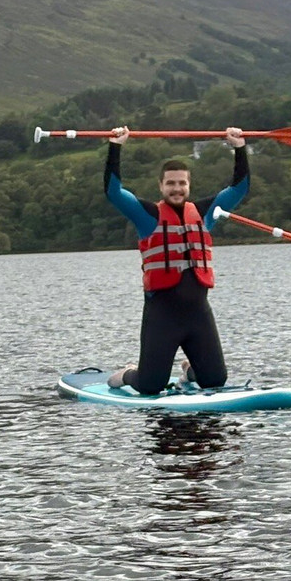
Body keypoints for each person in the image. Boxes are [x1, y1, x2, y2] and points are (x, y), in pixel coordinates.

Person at [103, 126, 249, 394]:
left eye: (182, 183)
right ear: (161, 186)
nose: (177, 188)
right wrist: (115, 146)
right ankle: (126, 374)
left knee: (215, 380)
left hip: (198, 314)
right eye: (171, 183)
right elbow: (114, 192)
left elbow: (240, 187)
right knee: (150, 386)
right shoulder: (146, 215)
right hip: (162, 317)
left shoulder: (206, 213)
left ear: (189, 185)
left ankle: (189, 370)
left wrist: (239, 148)